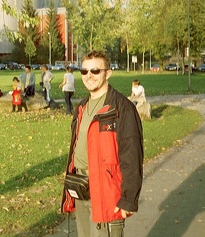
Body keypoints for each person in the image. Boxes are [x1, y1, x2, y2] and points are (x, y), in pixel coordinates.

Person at [61, 50, 143, 237]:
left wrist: (128, 199)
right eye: (84, 71)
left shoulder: (122, 108)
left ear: (108, 73)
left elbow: (132, 155)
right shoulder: (81, 107)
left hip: (106, 190)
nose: (89, 76)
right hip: (81, 186)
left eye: (95, 71)